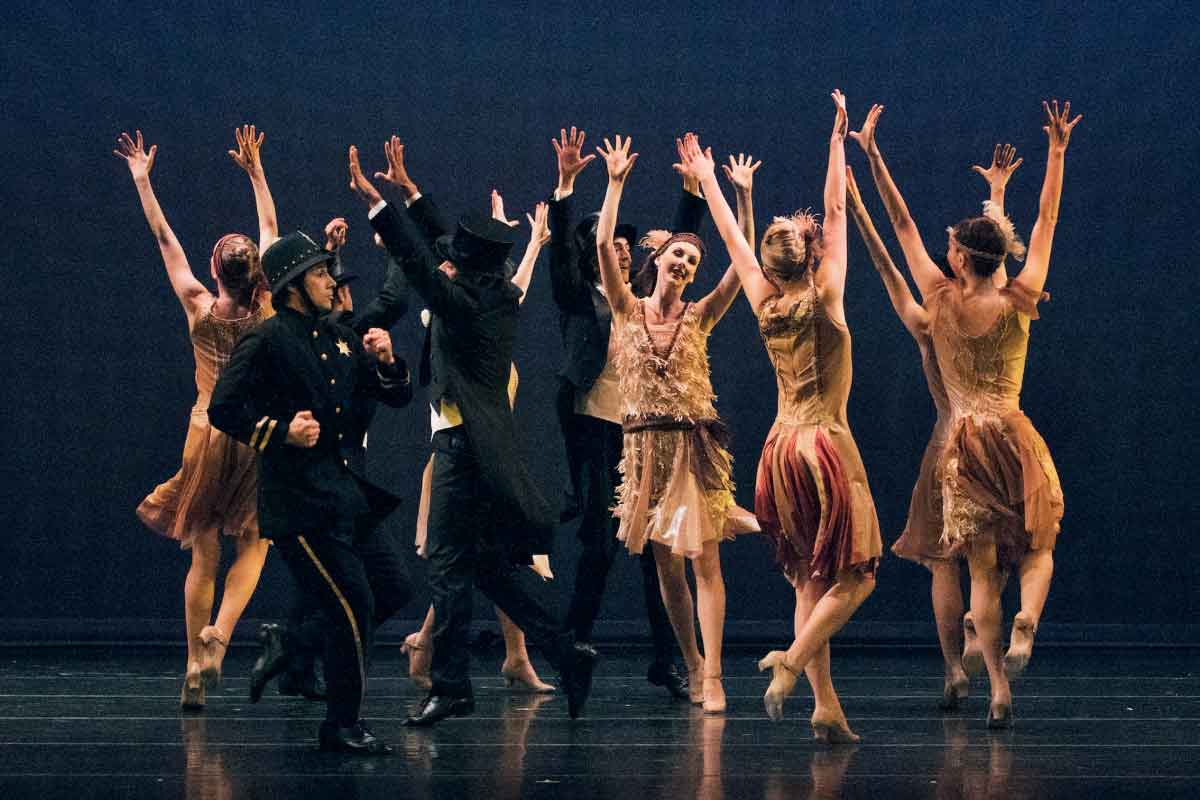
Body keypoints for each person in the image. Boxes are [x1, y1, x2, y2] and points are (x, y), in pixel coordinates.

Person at [348, 137, 596, 725]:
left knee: (447, 565)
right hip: (481, 448)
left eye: (453, 258)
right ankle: (566, 650)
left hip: (465, 450)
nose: (445, 260)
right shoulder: (498, 294)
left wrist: (377, 204)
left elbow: (415, 260)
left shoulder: (463, 304)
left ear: (465, 270)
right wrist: (409, 190)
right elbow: (436, 245)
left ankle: (453, 684)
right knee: (484, 567)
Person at [852, 99, 1079, 726]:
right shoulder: (1018, 300)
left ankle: (992, 684)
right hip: (1013, 431)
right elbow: (1046, 220)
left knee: (972, 564)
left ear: (956, 258)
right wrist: (1055, 153)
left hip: (961, 442)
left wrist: (871, 155)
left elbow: (899, 227)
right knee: (1037, 545)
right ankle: (1027, 618)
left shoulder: (938, 303)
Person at [678, 93, 881, 743]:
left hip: (777, 447)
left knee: (807, 575)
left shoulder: (764, 299)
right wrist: (835, 142)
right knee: (856, 575)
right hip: (824, 443)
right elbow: (836, 210)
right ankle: (791, 662)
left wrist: (708, 179)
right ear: (812, 254)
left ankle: (826, 707)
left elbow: (735, 241)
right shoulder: (826, 295)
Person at [209, 224, 414, 754]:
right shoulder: (267, 338)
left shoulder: (339, 337)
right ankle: (341, 725)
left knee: (392, 588)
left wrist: (389, 364)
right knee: (353, 604)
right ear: (293, 285)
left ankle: (293, 643)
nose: (330, 282)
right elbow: (224, 409)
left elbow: (392, 396)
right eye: (320, 273)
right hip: (299, 504)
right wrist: (282, 432)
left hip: (343, 495)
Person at [846, 144, 1023, 710]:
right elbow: (993, 258)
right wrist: (996, 196)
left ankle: (953, 670)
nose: (944, 251)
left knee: (944, 563)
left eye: (951, 247)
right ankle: (998, 684)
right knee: (985, 571)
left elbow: (890, 251)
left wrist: (860, 192)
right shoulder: (1003, 301)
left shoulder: (930, 314)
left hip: (948, 446)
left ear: (957, 261)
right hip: (1000, 439)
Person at [594, 133, 758, 714]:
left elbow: (744, 267)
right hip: (643, 453)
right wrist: (614, 184)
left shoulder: (701, 314)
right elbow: (599, 246)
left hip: (691, 448)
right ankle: (690, 663)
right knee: (665, 567)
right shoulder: (625, 308)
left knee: (705, 560)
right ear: (656, 261)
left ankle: (713, 674)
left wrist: (742, 201)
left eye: (693, 259)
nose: (686, 263)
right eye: (678, 255)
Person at [115, 127, 274, 711]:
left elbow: (163, 237)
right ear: (257, 276)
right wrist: (257, 173)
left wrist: (142, 180)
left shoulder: (198, 308)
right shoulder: (267, 313)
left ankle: (190, 665)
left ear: (215, 271)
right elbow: (272, 234)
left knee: (204, 548)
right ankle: (222, 636)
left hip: (206, 432)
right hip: (255, 434)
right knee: (255, 540)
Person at [547, 127, 709, 699]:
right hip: (595, 427)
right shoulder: (576, 293)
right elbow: (567, 252)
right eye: (609, 238)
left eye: (624, 240)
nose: (620, 245)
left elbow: (679, 262)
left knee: (658, 550)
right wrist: (567, 184)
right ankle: (574, 643)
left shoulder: (640, 294)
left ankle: (667, 660)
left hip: (643, 433)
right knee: (599, 541)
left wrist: (693, 193)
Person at [402, 192, 557, 695]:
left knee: (481, 560)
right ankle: (443, 651)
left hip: (485, 453)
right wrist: (410, 200)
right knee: (473, 560)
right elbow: (450, 270)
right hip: (458, 451)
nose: (447, 268)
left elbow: (514, 288)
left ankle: (508, 655)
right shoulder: (445, 319)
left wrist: (531, 243)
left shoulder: (490, 317)